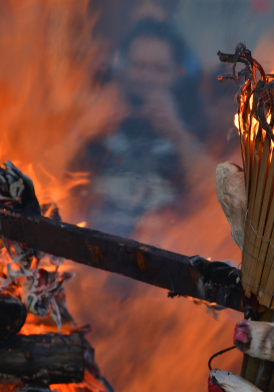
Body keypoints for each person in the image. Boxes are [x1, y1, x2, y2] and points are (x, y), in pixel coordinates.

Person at [72, 19, 206, 238]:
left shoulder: (193, 120)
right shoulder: (93, 111)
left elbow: (217, 195)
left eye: (160, 69)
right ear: (122, 67)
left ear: (177, 74)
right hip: (94, 248)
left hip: (166, 251)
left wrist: (179, 135)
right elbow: (39, 177)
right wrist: (83, 131)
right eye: (139, 65)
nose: (147, 77)